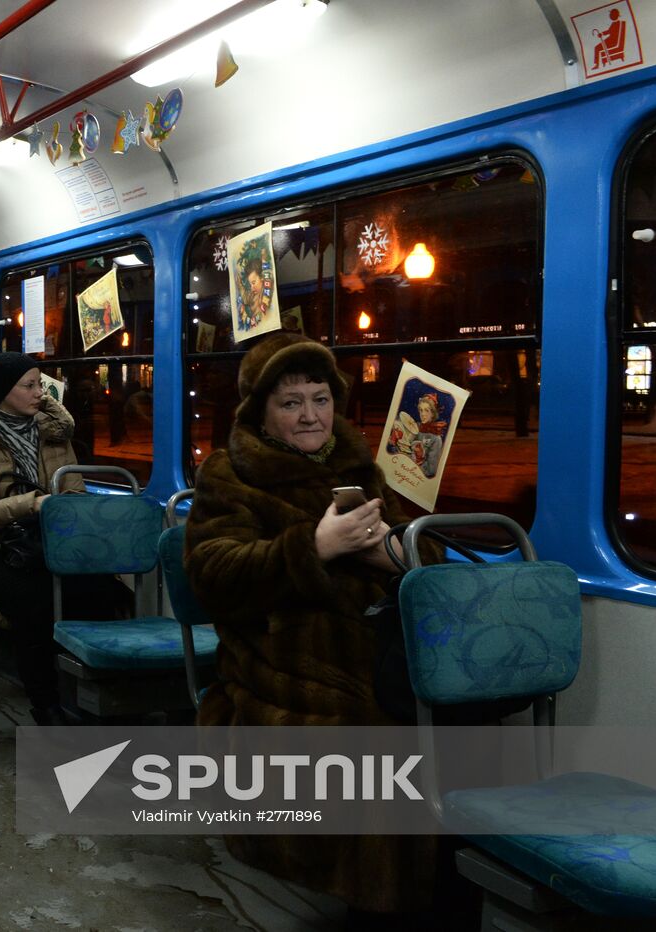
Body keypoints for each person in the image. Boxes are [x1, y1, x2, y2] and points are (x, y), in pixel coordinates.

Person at [183, 331, 463, 927]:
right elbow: (213, 574)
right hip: (283, 659)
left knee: (466, 718)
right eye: (290, 403)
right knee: (377, 741)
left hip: (379, 646)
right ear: (260, 411)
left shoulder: (358, 467)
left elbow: (424, 552)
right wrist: (311, 548)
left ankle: (454, 895)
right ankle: (382, 905)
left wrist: (392, 557)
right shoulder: (230, 474)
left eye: (320, 398)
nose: (310, 415)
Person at [0, 352, 124, 726]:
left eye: (40, 384)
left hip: (54, 541)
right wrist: (32, 504)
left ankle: (103, 701)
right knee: (34, 601)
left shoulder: (55, 434)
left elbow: (74, 494)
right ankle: (45, 703)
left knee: (105, 592)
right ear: (1, 393)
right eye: (28, 385)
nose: (39, 392)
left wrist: (62, 512)